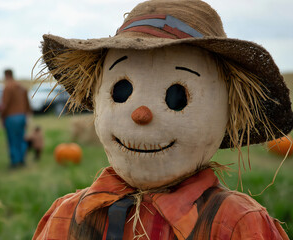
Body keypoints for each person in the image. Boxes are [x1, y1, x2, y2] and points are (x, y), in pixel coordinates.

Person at [33, 0, 292, 239]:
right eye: (121, 92)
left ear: (226, 110)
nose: (141, 114)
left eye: (177, 97)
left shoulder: (237, 224)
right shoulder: (65, 217)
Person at [0, 69, 31, 169]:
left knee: (12, 140)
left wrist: (2, 117)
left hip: (11, 117)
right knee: (21, 138)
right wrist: (27, 115)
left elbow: (5, 105)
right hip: (22, 116)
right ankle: (22, 160)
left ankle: (15, 162)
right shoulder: (22, 87)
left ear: (6, 75)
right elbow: (27, 103)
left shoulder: (8, 88)